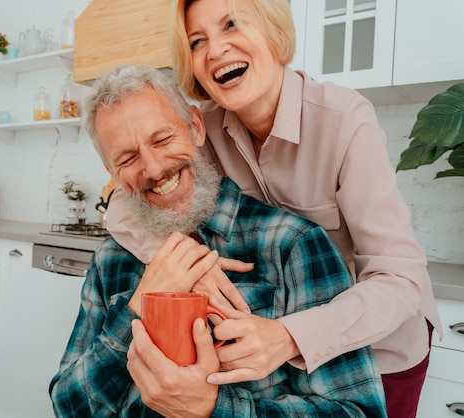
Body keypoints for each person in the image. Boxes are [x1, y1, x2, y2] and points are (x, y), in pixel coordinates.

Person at [105, 0, 442, 416]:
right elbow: (120, 202)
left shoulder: (344, 119)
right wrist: (181, 263)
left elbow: (399, 277)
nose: (216, 50)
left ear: (272, 29)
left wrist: (288, 337)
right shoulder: (200, 127)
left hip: (379, 343)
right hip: (273, 347)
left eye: (231, 25)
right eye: (197, 42)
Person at [50, 64, 387, 417]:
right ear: (112, 172)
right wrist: (136, 309)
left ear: (195, 127)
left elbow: (359, 411)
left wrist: (215, 408)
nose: (151, 169)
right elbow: (67, 407)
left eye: (162, 139)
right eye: (127, 158)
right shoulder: (110, 259)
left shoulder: (292, 244)